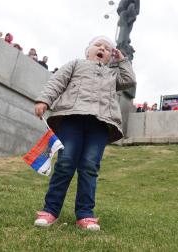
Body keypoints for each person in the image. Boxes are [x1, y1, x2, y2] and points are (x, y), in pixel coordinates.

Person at [33, 36, 136, 231]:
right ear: (87, 51)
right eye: (98, 45)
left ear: (109, 57)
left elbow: (129, 80)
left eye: (107, 49)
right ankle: (50, 210)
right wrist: (44, 100)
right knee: (65, 163)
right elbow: (57, 81)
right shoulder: (76, 64)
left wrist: (121, 59)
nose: (102, 49)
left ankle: (85, 214)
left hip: (100, 124)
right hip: (72, 118)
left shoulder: (113, 75)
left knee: (90, 166)